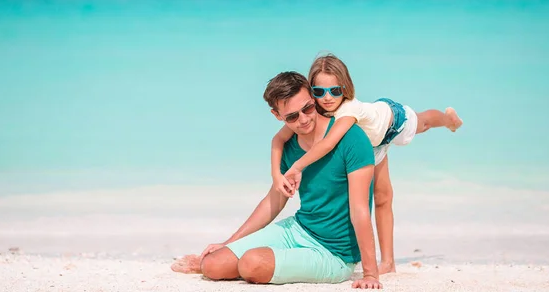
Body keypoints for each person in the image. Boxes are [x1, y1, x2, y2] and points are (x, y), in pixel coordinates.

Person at [271, 53, 463, 274]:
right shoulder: (311, 109)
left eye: (335, 91)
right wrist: (276, 173)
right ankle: (388, 263)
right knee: (382, 197)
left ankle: (449, 120)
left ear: (345, 87)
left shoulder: (348, 111)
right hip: (371, 145)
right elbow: (278, 139)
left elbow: (327, 144)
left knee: (425, 122)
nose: (327, 98)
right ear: (311, 92)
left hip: (391, 124)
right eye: (319, 92)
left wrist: (296, 167)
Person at [197, 71, 383, 288]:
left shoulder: (352, 138)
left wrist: (370, 274)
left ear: (313, 99)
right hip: (299, 229)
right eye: (292, 117)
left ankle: (275, 261)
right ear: (277, 116)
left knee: (252, 263)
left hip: (334, 254)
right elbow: (273, 201)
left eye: (307, 108)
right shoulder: (289, 146)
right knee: (212, 266)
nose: (303, 120)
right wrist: (229, 242)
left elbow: (360, 210)